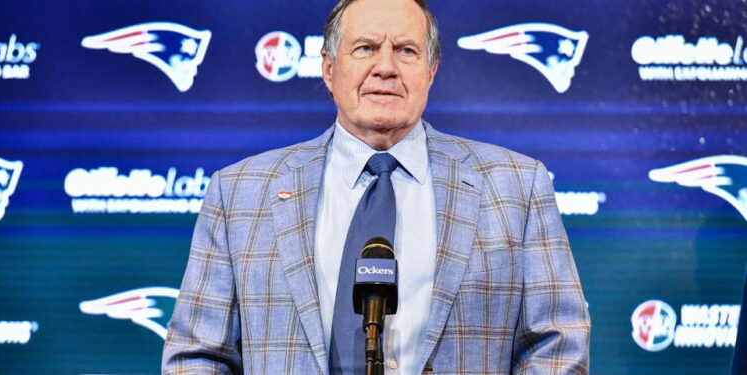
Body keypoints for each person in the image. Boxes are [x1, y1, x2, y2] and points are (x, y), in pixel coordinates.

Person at [162, 0, 591, 373]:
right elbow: (198, 355)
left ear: (431, 69)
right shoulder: (239, 193)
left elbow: (557, 342)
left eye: (406, 50)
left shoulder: (516, 186)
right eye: (365, 48)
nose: (385, 66)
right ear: (328, 68)